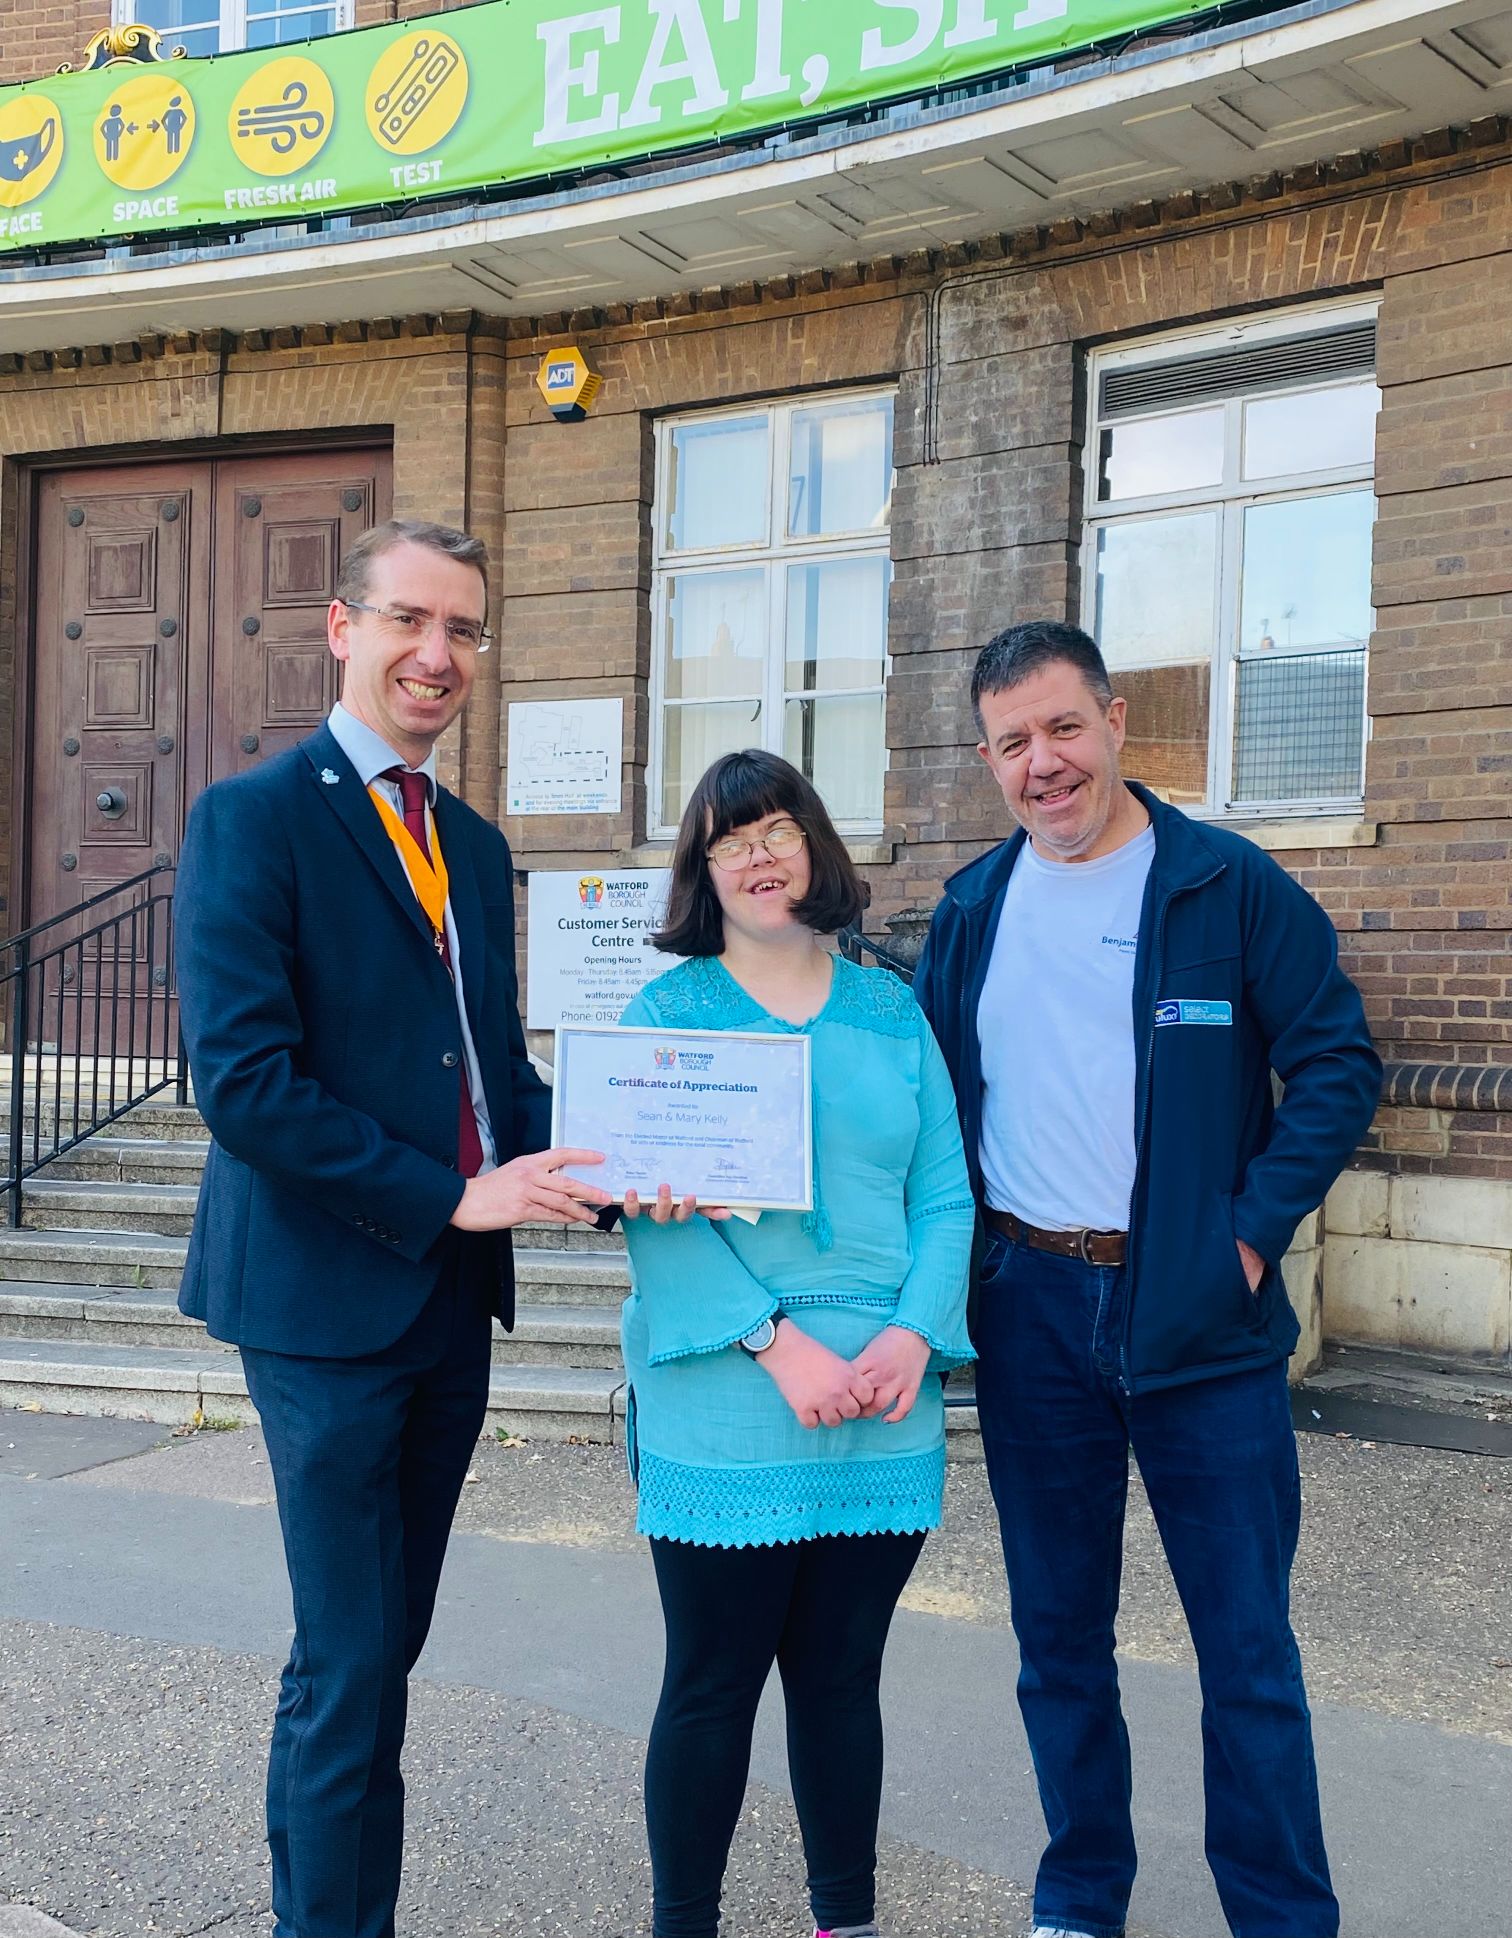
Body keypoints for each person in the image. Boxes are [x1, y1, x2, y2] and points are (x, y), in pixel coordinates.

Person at [173, 518, 610, 1938]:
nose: (440, 654)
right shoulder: (255, 816)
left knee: (381, 1651)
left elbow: (489, 1071)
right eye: (412, 621)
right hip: (322, 1300)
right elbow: (242, 1084)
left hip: (445, 1305)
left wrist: (619, 1155)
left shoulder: (471, 846)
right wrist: (452, 1194)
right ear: (341, 627)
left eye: (466, 630)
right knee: (352, 1662)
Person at [914, 620, 1381, 1938]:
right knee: (1059, 1644)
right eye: (1013, 742)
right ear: (990, 759)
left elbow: (1338, 1065)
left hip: (1201, 1318)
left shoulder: (1227, 889)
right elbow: (936, 1111)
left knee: (1247, 1657)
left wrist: (1246, 1231)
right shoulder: (971, 909)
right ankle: (1081, 1891)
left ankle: (1283, 1915)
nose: (1043, 762)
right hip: (1032, 1311)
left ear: (1118, 722)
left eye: (1064, 727)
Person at [616, 749, 975, 1938]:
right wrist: (779, 1345)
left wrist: (917, 1338)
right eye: (728, 838)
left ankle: (845, 1919)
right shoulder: (666, 1017)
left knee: (840, 1682)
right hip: (728, 1390)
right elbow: (652, 1224)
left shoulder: (891, 1007)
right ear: (700, 871)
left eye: (774, 828)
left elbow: (944, 1198)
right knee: (712, 1684)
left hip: (886, 1393)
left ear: (814, 844)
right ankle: (686, 1923)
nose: (757, 854)